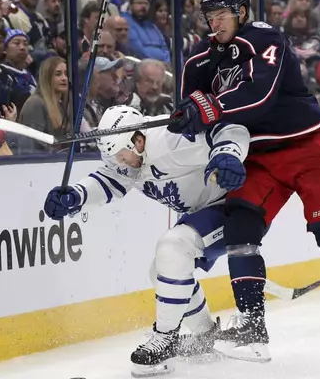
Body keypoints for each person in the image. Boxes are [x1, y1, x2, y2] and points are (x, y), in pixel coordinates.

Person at [167, 0, 320, 361]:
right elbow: (201, 117)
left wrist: (208, 107)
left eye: (222, 13)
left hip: (307, 147)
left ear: (241, 11)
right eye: (209, 15)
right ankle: (253, 329)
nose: (215, 22)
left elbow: (261, 94)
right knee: (240, 230)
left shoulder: (264, 38)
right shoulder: (199, 63)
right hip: (258, 159)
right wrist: (186, 118)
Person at [42, 106, 250, 377]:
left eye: (121, 155)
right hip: (206, 210)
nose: (119, 162)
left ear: (138, 140)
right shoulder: (127, 155)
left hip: (237, 204)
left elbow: (233, 130)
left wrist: (228, 154)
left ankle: (165, 338)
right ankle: (205, 336)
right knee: (161, 270)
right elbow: (109, 180)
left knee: (172, 248)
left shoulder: (170, 139)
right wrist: (76, 196)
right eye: (113, 157)